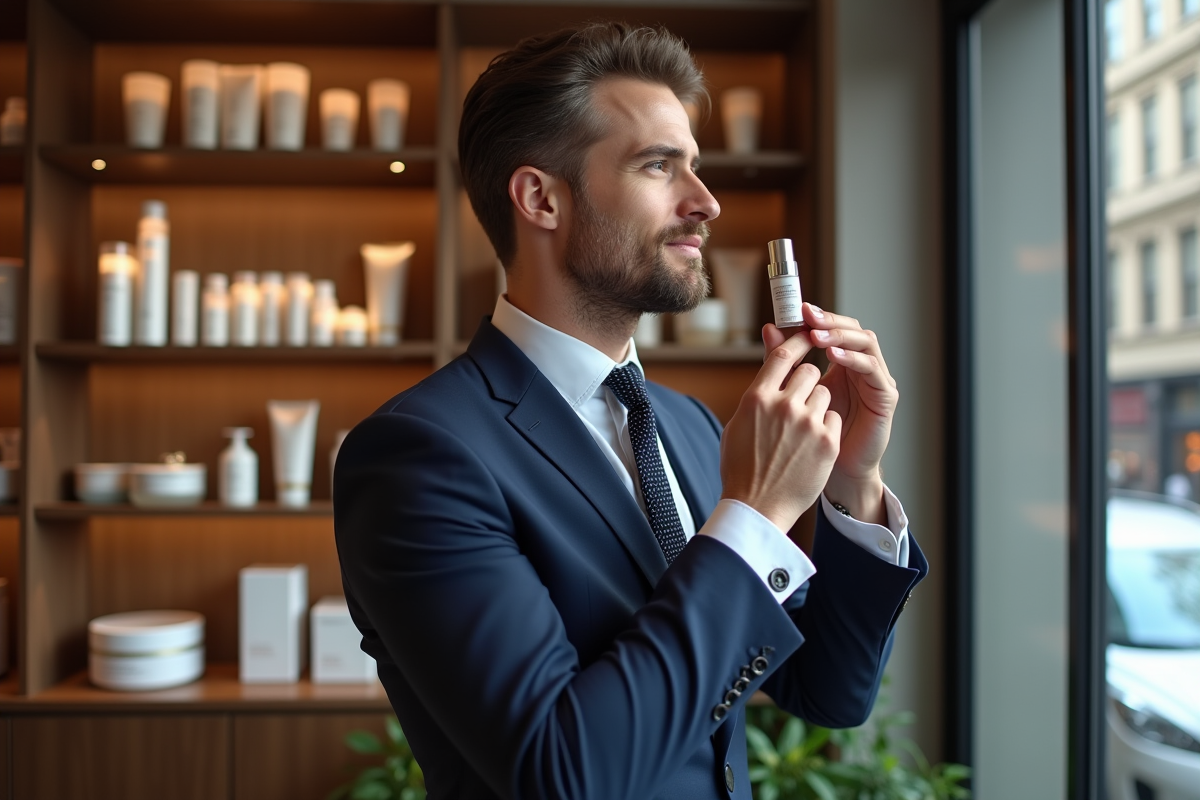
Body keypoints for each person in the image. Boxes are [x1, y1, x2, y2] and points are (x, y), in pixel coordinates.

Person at [334, 21, 926, 800]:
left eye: (697, 168)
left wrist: (853, 480)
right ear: (541, 198)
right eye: (659, 166)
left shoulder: (687, 426)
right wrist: (751, 514)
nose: (706, 203)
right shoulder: (418, 456)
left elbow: (828, 692)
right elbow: (562, 772)